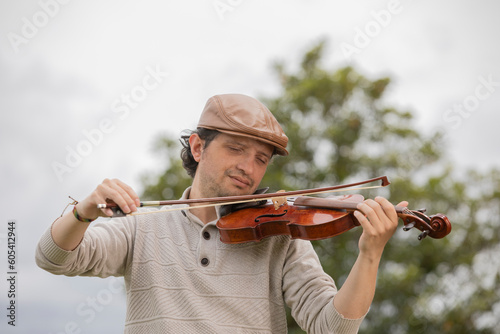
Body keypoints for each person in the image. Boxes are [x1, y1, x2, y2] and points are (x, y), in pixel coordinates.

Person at [36, 93, 405, 333]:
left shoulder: (281, 236)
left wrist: (370, 254)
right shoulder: (143, 226)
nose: (249, 166)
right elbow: (53, 258)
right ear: (198, 147)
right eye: (235, 149)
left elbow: (332, 328)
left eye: (261, 158)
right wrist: (82, 212)